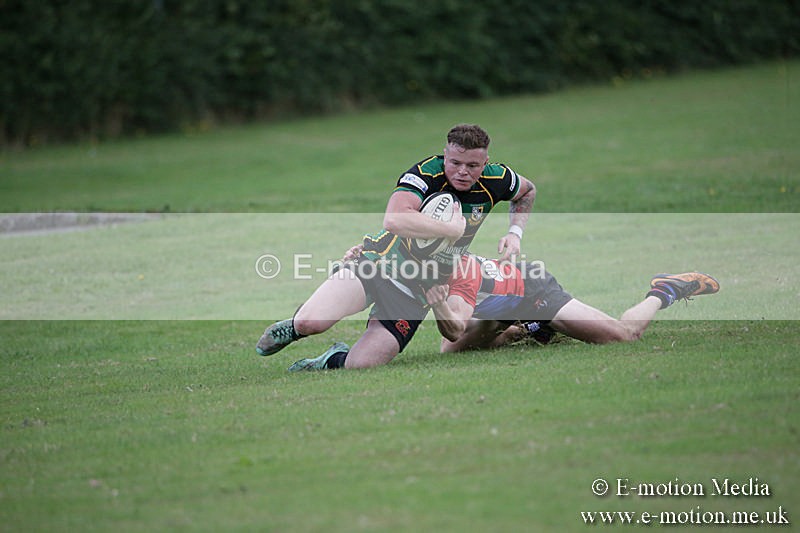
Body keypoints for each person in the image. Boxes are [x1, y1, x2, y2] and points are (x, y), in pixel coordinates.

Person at [256, 124, 537, 370]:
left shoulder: (497, 179)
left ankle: (330, 359)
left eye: (472, 166)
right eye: (454, 162)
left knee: (361, 365)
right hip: (379, 262)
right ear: (445, 154)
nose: (462, 171)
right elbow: (393, 219)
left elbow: (527, 191)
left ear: (485, 161)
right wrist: (452, 229)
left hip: (418, 287)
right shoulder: (425, 173)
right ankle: (295, 326)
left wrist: (515, 233)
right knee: (311, 323)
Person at [425, 254, 720, 351]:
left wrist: (438, 305)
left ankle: (664, 290)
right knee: (453, 352)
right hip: (504, 304)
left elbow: (452, 327)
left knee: (623, 335)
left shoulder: (452, 267)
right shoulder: (429, 257)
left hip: (532, 292)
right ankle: (528, 328)